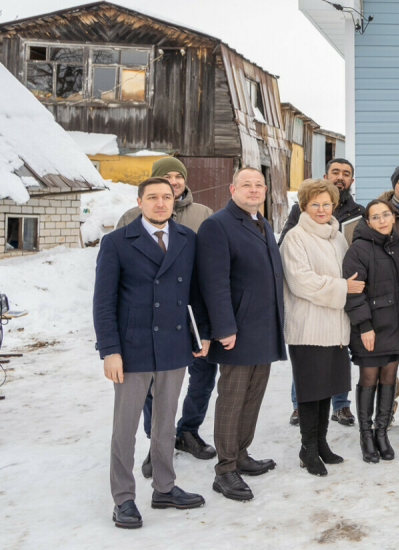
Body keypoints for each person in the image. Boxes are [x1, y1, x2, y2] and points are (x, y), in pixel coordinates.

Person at [94, 177, 208, 528]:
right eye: (153, 197)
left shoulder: (188, 239)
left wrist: (200, 334)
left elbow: (195, 292)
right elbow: (104, 301)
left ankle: (164, 487)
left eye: (167, 197)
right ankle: (124, 499)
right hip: (133, 347)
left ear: (175, 201)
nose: (161, 203)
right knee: (125, 428)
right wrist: (110, 350)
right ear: (140, 201)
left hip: (174, 345)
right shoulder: (116, 242)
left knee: (164, 424)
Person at [116, 156, 216, 472]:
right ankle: (157, 442)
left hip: (192, 311)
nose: (174, 181)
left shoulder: (203, 215)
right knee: (151, 383)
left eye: (178, 176)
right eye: (166, 176)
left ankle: (187, 429)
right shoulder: (133, 216)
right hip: (152, 316)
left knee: (202, 373)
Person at [197, 167, 288, 502]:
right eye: (247, 185)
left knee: (253, 397)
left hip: (264, 327)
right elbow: (214, 281)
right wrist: (223, 327)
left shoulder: (261, 222)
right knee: (233, 399)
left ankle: (241, 453)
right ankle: (225, 470)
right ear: (233, 188)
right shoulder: (217, 225)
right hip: (236, 330)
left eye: (259, 185)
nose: (254, 190)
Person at [280, 178, 359, 476]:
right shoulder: (295, 238)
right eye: (315, 204)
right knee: (311, 390)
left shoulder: (336, 237)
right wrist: (343, 287)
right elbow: (301, 281)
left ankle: (322, 443)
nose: (322, 209)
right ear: (304, 206)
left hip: (335, 326)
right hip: (309, 326)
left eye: (327, 203)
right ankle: (307, 449)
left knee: (327, 389)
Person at [343, 199, 399, 463]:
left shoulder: (398, 246)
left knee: (389, 378)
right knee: (369, 378)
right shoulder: (358, 249)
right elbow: (354, 294)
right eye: (376, 217)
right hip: (370, 328)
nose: (382, 220)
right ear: (368, 221)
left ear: (393, 217)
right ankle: (366, 434)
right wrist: (365, 327)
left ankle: (382, 432)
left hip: (394, 325)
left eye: (386, 215)